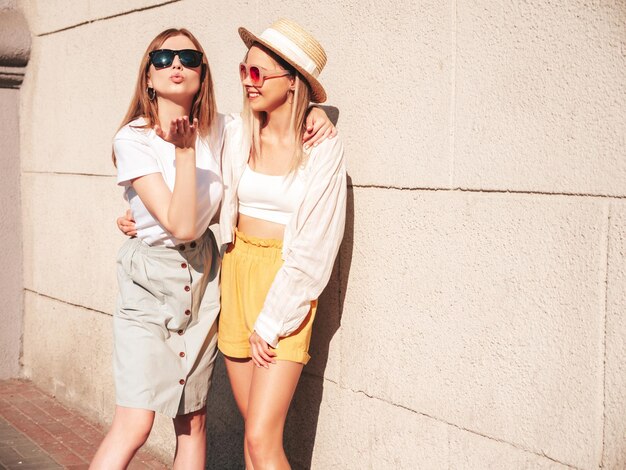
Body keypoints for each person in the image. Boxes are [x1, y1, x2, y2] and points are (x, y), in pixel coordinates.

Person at [95, 27, 335, 469]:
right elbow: (180, 222)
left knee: (197, 422)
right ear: (147, 76)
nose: (177, 65)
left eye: (188, 57)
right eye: (163, 60)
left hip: (209, 279)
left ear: (203, 74)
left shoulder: (224, 130)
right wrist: (147, 205)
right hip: (166, 280)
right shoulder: (136, 138)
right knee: (136, 423)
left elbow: (278, 123)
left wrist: (319, 113)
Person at [217, 18, 346, 469]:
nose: (248, 83)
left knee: (260, 439)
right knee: (256, 433)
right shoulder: (235, 133)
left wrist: (271, 321)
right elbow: (181, 148)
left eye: (259, 73)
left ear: (292, 83)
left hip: (286, 285)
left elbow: (316, 248)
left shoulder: (322, 149)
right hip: (235, 273)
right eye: (244, 70)